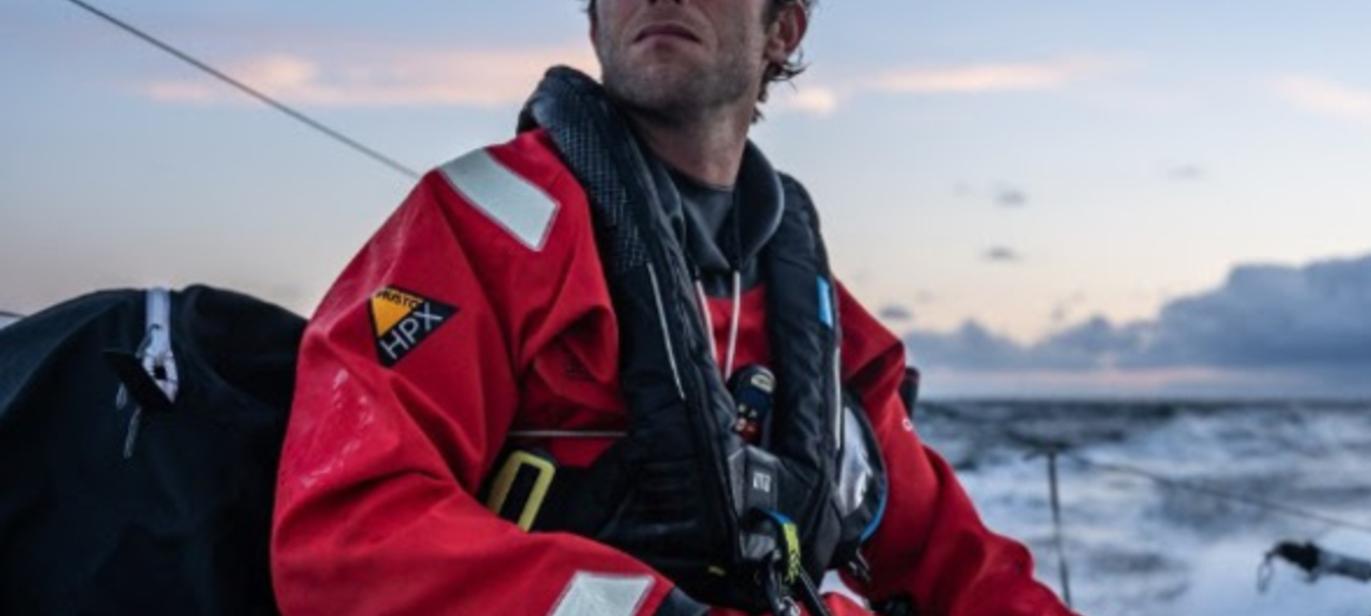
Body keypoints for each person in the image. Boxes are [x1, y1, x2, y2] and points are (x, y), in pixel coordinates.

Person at [270, 1, 1075, 614]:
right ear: (597, 26)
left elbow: (956, 565)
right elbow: (344, 541)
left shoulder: (823, 323)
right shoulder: (477, 230)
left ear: (782, 30)